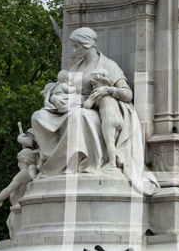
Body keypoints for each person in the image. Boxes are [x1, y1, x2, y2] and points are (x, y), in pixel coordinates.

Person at [30, 28, 156, 193]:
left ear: (87, 44)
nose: (74, 51)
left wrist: (107, 91)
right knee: (38, 116)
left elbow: (127, 94)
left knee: (78, 117)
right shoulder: (75, 67)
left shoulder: (108, 65)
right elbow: (61, 89)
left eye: (77, 46)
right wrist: (55, 99)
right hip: (69, 106)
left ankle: (79, 164)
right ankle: (53, 164)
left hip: (94, 110)